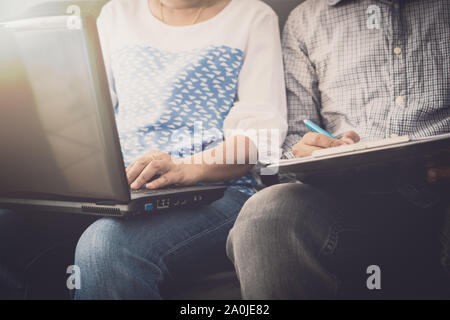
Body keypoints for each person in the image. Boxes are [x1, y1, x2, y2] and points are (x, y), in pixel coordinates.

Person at [0, 0, 287, 299]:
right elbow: (87, 116)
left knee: (106, 246)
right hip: (128, 188)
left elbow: (260, 136)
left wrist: (186, 167)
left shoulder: (252, 17)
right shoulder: (117, 14)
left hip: (219, 192)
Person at [227, 0, 450, 299]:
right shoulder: (305, 21)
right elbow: (292, 142)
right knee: (266, 213)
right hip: (348, 201)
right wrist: (306, 153)